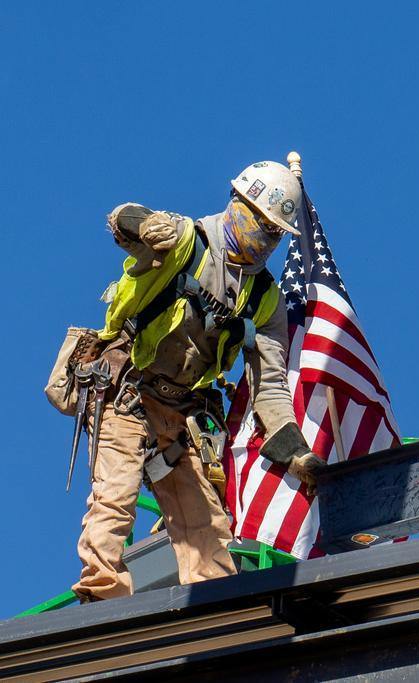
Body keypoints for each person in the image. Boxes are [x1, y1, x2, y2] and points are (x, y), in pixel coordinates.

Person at [65, 160, 324, 601]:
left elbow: (270, 386)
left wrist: (295, 452)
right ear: (237, 205)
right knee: (115, 497)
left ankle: (216, 610)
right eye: (262, 226)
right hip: (126, 390)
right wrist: (147, 226)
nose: (267, 241)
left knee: (203, 520)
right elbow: (124, 221)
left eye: (276, 234)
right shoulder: (186, 243)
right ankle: (102, 602)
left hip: (179, 412)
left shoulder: (264, 301)